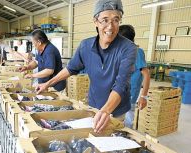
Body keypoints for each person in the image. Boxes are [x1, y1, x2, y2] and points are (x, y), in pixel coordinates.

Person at [36, 0, 137, 133]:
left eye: (116, 20)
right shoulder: (86, 46)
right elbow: (70, 69)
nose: (110, 26)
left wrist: (107, 110)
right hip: (94, 106)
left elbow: (121, 84)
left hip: (116, 110)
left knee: (113, 143)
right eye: (104, 20)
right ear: (95, 21)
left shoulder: (128, 48)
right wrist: (47, 84)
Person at [119, 24, 150, 128]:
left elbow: (146, 74)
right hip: (120, 93)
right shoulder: (123, 52)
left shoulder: (138, 52)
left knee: (127, 123)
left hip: (131, 94)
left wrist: (143, 96)